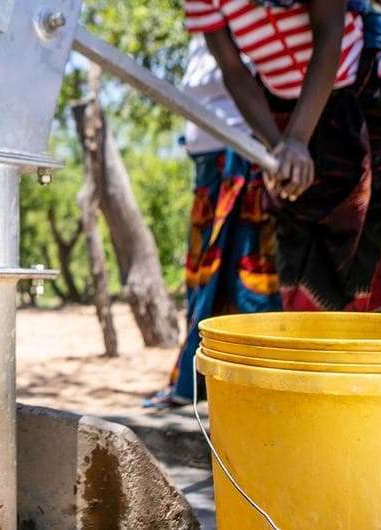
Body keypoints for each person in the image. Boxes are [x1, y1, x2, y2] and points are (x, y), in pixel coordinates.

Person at [184, 0, 381, 314]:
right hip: (281, 111)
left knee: (366, 237)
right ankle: (313, 352)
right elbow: (234, 72)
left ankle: (378, 351)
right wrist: (278, 146)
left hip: (355, 95)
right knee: (297, 238)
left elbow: (330, 36)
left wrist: (297, 140)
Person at [145, 37, 282, 409]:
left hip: (246, 160)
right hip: (208, 167)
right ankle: (197, 383)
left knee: (247, 276)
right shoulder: (201, 33)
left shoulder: (251, 20)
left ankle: (262, 386)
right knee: (203, 278)